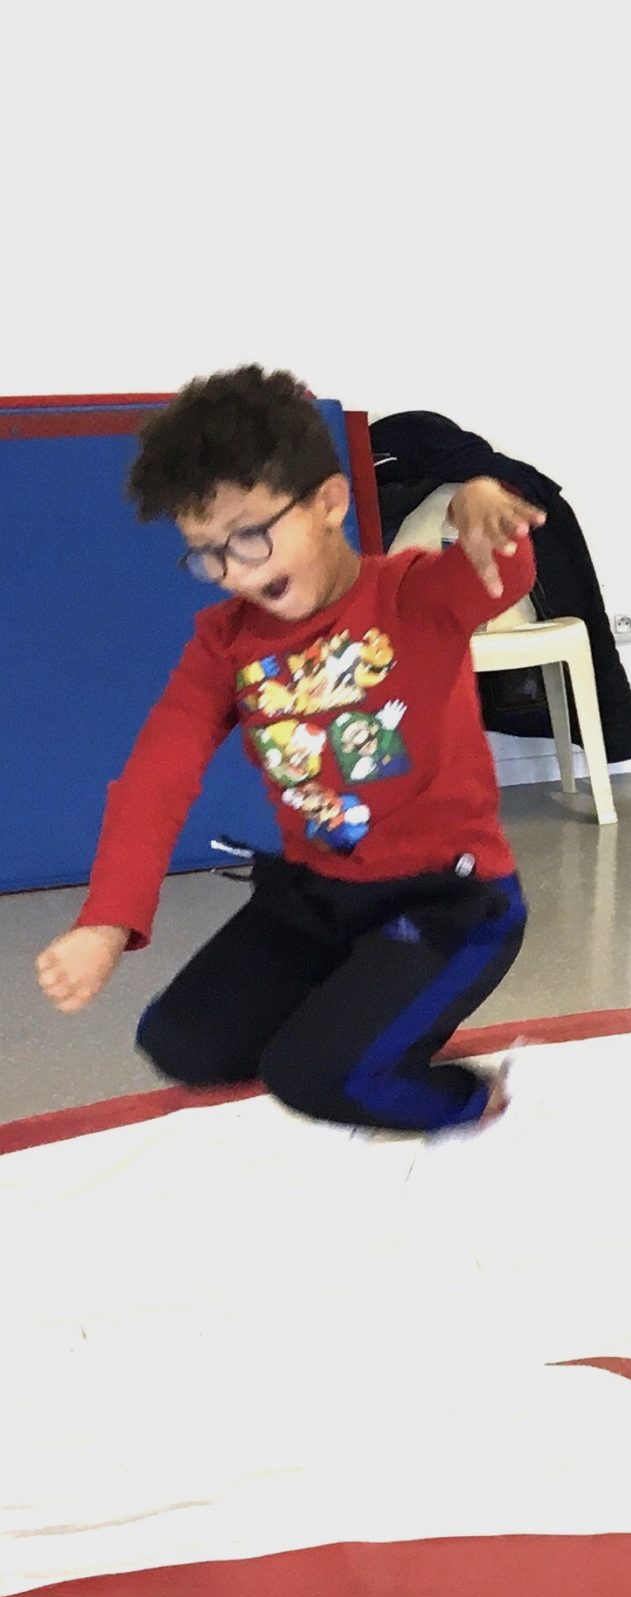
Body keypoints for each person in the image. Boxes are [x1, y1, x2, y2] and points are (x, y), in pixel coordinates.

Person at [34, 365, 542, 1135]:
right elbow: (156, 776)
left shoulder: (413, 595)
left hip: (448, 902)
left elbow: (500, 575)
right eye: (207, 553)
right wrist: (106, 920)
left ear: (330, 501)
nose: (235, 571)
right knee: (180, 1042)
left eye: (250, 535)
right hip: (314, 897)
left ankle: (481, 1100)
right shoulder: (225, 643)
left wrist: (478, 497)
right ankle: (365, 1010)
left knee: (310, 1075)